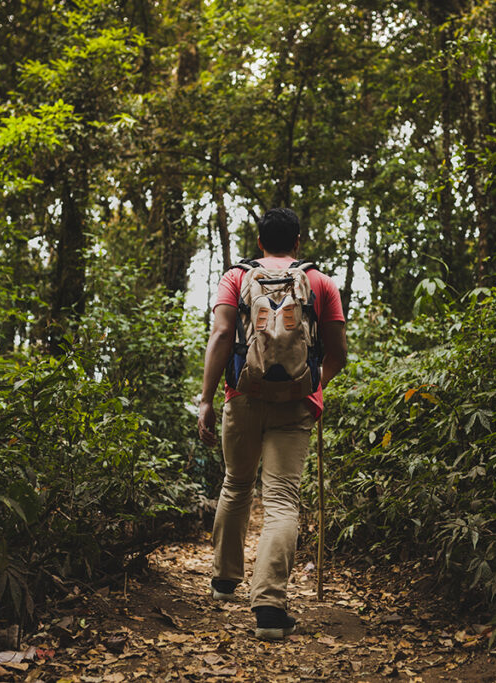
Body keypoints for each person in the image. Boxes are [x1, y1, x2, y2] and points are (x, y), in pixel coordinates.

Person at [197, 207, 347, 640]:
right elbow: (337, 353)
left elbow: (223, 336)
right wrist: (311, 384)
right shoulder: (320, 282)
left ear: (260, 241)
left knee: (236, 483)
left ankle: (225, 582)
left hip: (243, 396)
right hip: (296, 404)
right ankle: (268, 609)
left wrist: (206, 399)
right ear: (298, 241)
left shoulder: (235, 277)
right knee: (281, 500)